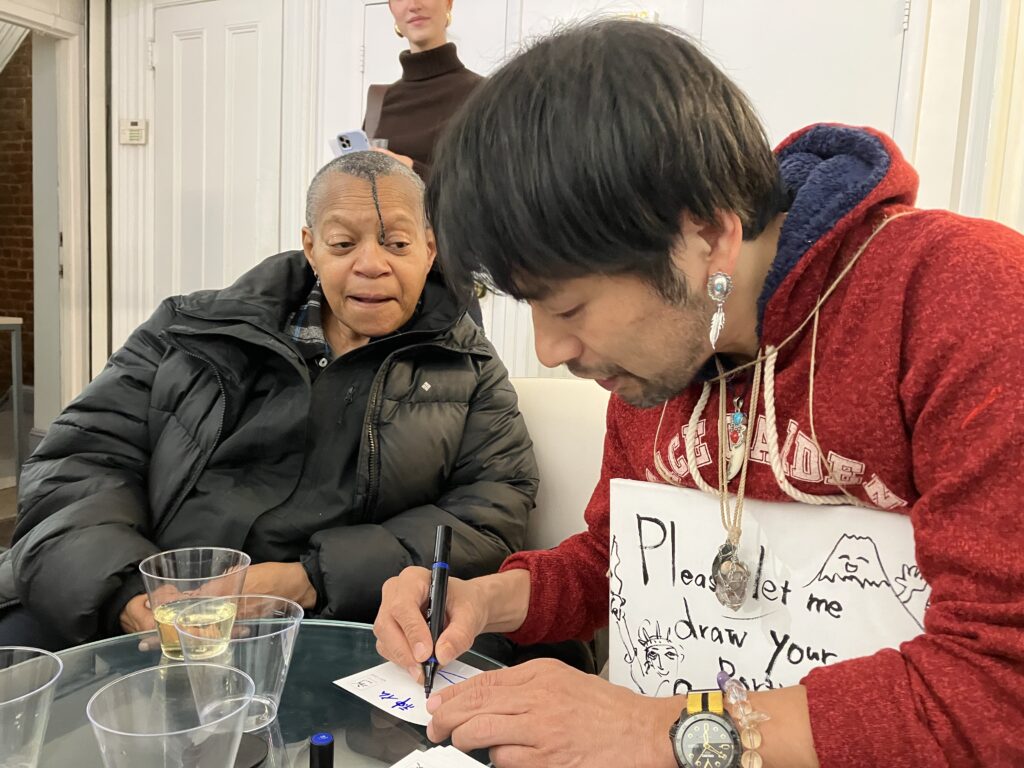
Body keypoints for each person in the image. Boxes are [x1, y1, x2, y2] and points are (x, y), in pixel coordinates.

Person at [372, 20, 1024, 768]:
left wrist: (656, 731)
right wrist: (484, 600)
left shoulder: (966, 300)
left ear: (708, 238)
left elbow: (998, 683)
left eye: (570, 306)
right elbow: (618, 562)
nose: (550, 351)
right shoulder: (662, 359)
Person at [0, 151, 537, 651]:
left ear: (430, 248)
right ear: (311, 247)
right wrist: (131, 594)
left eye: (396, 244)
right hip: (146, 599)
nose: (371, 264)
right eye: (342, 244)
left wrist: (310, 579)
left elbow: (490, 513)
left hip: (338, 625)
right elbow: (78, 462)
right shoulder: (188, 331)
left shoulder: (467, 367)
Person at [366, 0, 482, 181]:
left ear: (448, 3)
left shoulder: (485, 96)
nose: (413, 5)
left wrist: (412, 171)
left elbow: (496, 189)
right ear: (391, 8)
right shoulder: (380, 102)